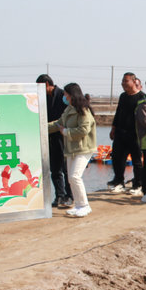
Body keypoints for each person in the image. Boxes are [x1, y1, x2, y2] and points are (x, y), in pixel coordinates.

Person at [48, 83, 97, 218]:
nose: (64, 97)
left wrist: (66, 132)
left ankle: (85, 206)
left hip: (83, 148)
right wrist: (41, 126)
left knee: (75, 176)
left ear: (71, 94)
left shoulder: (83, 110)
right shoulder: (69, 109)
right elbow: (58, 123)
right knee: (71, 178)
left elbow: (83, 130)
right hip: (71, 149)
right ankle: (78, 205)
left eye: (65, 94)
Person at [36, 74, 74, 208]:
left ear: (46, 84)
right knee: (54, 169)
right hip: (51, 137)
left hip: (63, 136)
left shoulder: (62, 96)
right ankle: (59, 195)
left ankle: (70, 196)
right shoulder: (44, 98)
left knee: (66, 168)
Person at [108, 73, 144, 194]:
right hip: (120, 133)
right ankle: (119, 182)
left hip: (135, 134)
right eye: (122, 81)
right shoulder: (123, 96)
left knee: (137, 160)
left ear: (134, 82)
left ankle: (138, 184)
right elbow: (118, 113)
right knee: (118, 158)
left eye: (126, 81)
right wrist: (113, 128)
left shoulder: (142, 97)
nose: (123, 83)